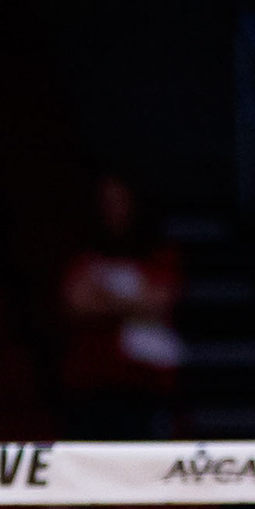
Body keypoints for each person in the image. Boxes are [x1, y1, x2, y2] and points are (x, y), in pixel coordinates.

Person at [59, 176, 183, 435]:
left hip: (147, 384)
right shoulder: (84, 257)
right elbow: (77, 304)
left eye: (120, 201)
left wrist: (103, 297)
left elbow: (158, 301)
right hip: (94, 384)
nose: (113, 210)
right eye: (106, 202)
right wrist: (133, 301)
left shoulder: (159, 255)